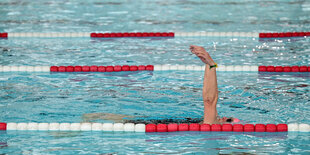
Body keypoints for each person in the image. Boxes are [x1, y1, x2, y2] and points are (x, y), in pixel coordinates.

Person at [82, 45, 238, 124]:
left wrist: (210, 64)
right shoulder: (203, 124)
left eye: (228, 119)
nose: (225, 117)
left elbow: (210, 101)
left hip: (149, 125)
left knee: (101, 118)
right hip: (151, 123)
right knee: (105, 118)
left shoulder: (210, 125)